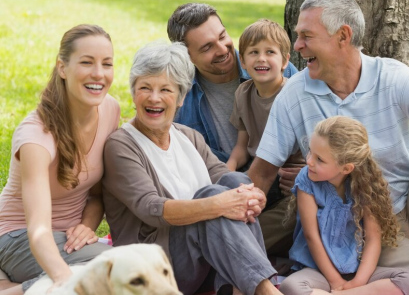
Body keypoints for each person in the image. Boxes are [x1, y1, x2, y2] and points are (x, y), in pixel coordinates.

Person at [248, 0, 409, 269]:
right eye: (298, 35)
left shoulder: (395, 79)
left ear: (343, 36)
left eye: (306, 36)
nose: (297, 45)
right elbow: (262, 173)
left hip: (393, 211)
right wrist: (229, 210)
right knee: (233, 237)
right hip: (325, 216)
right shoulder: (294, 94)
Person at [102, 41, 282, 295]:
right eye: (145, 88)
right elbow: (151, 208)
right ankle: (266, 291)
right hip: (150, 269)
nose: (154, 98)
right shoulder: (121, 145)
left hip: (201, 262)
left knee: (234, 184)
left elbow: (225, 177)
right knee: (213, 198)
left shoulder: (188, 136)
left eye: (166, 89)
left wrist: (251, 195)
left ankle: (241, 289)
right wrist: (220, 204)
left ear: (181, 97)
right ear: (133, 92)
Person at [0, 24, 120, 295]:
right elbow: (38, 230)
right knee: (115, 269)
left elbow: (97, 196)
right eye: (87, 62)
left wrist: (86, 227)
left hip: (67, 239)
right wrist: (62, 277)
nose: (99, 74)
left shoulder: (110, 109)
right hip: (17, 237)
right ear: (62, 68)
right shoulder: (35, 136)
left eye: (107, 63)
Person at [279, 116, 409, 294]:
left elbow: (373, 238)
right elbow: (311, 235)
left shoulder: (365, 183)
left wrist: (359, 282)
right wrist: (335, 281)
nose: (309, 161)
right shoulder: (307, 179)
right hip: (320, 271)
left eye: (320, 159)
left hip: (359, 269)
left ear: (346, 168)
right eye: (310, 151)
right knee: (291, 287)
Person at [167, 3, 298, 163]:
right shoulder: (180, 95)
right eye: (207, 47)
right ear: (187, 56)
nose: (222, 49)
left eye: (222, 36)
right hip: (222, 177)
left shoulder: (275, 68)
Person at [227, 19, 305, 258]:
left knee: (255, 234)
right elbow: (242, 147)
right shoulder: (243, 93)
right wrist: (224, 174)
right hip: (256, 176)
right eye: (253, 52)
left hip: (289, 183)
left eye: (270, 52)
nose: (261, 58)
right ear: (243, 61)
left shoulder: (295, 94)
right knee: (229, 212)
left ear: (285, 61)